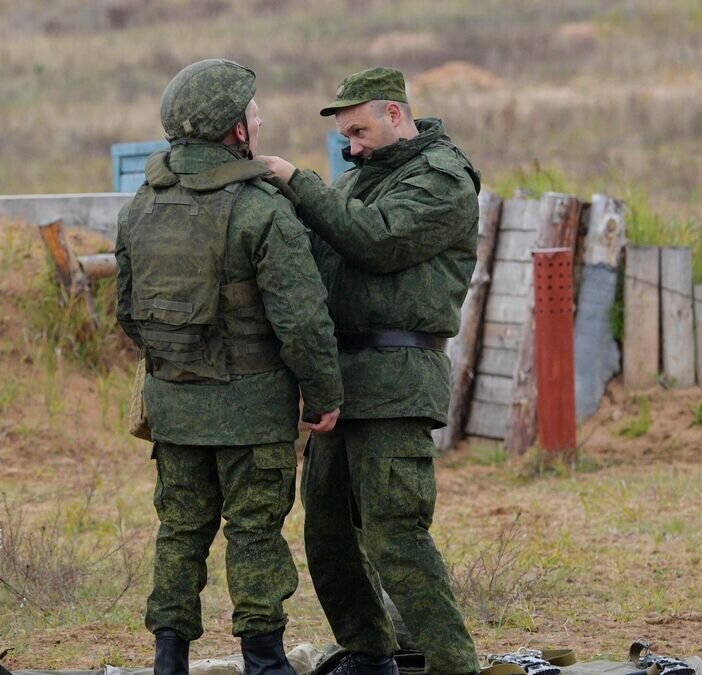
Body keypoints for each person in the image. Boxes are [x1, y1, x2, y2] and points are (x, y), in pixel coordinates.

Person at [114, 59, 343, 675]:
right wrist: (322, 394)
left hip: (174, 408)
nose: (260, 118)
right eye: (253, 112)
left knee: (179, 533)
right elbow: (302, 319)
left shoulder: (141, 204)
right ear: (235, 132)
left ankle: (169, 659)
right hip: (254, 412)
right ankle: (265, 663)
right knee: (255, 533)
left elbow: (128, 313)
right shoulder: (262, 209)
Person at [256, 66, 481, 675]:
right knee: (327, 537)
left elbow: (377, 241)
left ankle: (453, 664)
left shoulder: (441, 179)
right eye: (344, 137)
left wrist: (295, 181)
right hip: (341, 380)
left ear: (393, 114)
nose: (350, 146)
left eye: (357, 130)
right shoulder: (361, 182)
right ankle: (370, 652)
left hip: (398, 378)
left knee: (395, 535)